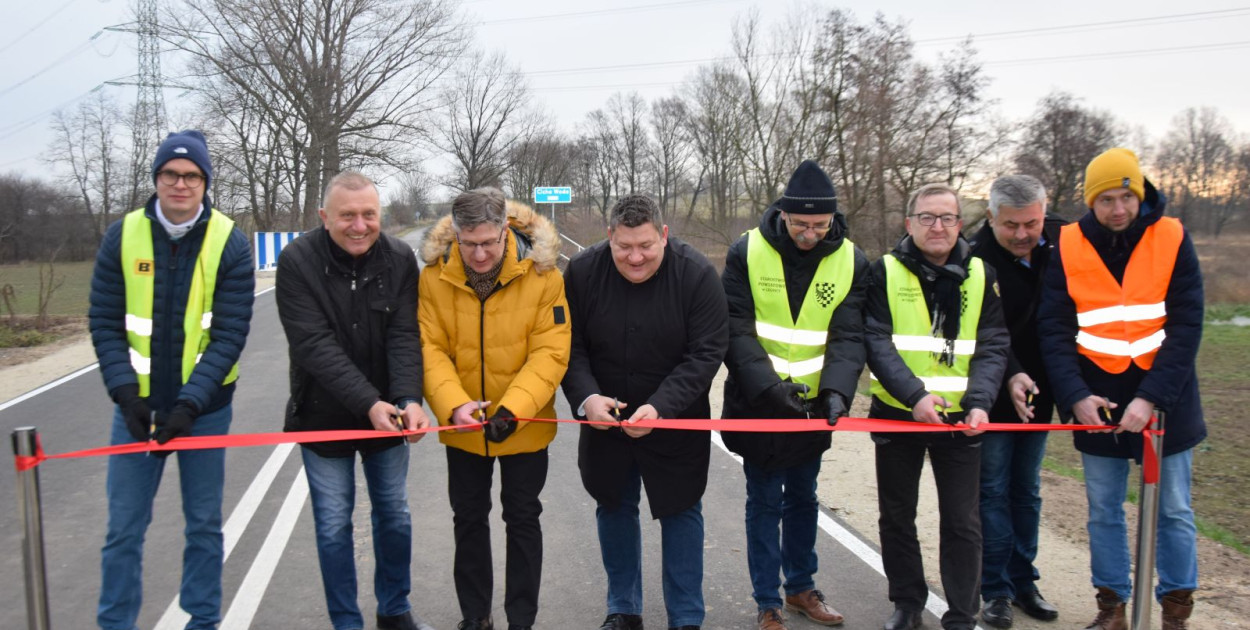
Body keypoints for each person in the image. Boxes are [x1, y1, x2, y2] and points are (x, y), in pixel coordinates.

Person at [89, 130, 254, 630]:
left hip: (203, 412)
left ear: (205, 183)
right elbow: (104, 321)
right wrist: (124, 395)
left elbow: (228, 336)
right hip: (135, 411)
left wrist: (189, 405)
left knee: (203, 526)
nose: (180, 184)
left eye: (191, 176)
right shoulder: (123, 235)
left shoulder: (231, 242)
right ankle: (115, 623)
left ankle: (202, 621)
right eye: (170, 175)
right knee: (123, 530)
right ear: (157, 179)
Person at [1037, 148, 1205, 630]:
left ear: (1140, 192)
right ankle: (1112, 607)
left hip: (1166, 397)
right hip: (1097, 399)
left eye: (1125, 197)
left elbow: (1187, 324)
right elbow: (1054, 327)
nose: (1117, 209)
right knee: (1103, 510)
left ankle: (1175, 612)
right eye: (1106, 199)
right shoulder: (1068, 244)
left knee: (1173, 509)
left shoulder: (1172, 237)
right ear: (1091, 202)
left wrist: (1151, 398)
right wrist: (1074, 397)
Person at [276, 170, 433, 630]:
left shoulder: (400, 257)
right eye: (348, 216)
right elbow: (313, 345)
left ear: (381, 215)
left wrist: (408, 398)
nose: (359, 225)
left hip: (388, 417)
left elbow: (405, 334)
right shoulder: (296, 261)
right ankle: (346, 621)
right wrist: (368, 402)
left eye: (369, 215)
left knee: (394, 518)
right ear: (326, 217)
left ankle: (395, 609)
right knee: (332, 525)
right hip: (323, 417)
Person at [562, 194, 728, 630]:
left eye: (647, 246)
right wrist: (586, 399)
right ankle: (623, 608)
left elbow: (707, 353)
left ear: (664, 235)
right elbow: (568, 347)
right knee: (613, 505)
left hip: (675, 417)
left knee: (681, 510)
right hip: (605, 417)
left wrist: (661, 406)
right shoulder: (581, 273)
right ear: (609, 237)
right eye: (624, 247)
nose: (635, 257)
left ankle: (686, 616)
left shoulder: (697, 276)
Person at [720, 160, 867, 630]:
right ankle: (768, 601)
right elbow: (735, 328)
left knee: (804, 498)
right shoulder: (747, 250)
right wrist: (768, 388)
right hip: (758, 403)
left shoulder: (851, 260)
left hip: (813, 407)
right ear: (783, 214)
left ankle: (801, 587)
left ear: (832, 220)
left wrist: (838, 392)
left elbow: (848, 337)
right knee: (763, 500)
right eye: (801, 224)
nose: (809, 234)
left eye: (819, 225)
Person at [418, 188, 570, 630]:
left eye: (489, 242)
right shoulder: (433, 276)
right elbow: (429, 348)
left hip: (523, 423)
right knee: (468, 519)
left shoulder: (544, 275)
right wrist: (452, 405)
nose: (479, 254)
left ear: (505, 230)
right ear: (456, 235)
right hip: (462, 425)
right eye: (469, 244)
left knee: (523, 519)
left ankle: (521, 619)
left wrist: (514, 410)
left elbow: (551, 350)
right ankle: (475, 617)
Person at [864, 183, 1009, 630]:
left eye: (947, 217)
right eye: (927, 217)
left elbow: (993, 345)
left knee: (963, 521)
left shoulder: (982, 275)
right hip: (897, 412)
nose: (937, 226)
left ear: (960, 225)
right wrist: (915, 397)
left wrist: (982, 402)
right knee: (897, 515)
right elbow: (877, 341)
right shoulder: (884, 271)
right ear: (909, 224)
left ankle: (962, 613)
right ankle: (907, 603)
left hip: (962, 420)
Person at [968, 174, 1066, 628]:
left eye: (1033, 223)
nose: (1025, 234)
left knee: (1026, 491)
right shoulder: (972, 257)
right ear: (992, 218)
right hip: (992, 392)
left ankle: (1025, 581)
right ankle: (995, 590)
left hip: (1041, 392)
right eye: (1012, 225)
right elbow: (985, 331)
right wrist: (1010, 374)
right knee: (991, 490)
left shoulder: (1064, 242)